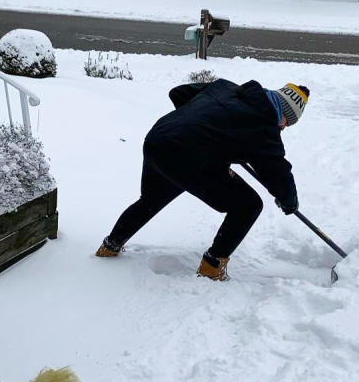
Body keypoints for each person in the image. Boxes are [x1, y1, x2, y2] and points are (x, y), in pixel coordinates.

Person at [96, 79, 309, 281]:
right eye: (287, 123)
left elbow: (178, 93)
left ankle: (110, 246)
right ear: (283, 114)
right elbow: (277, 172)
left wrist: (196, 123)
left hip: (158, 140)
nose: (282, 128)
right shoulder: (265, 130)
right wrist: (289, 201)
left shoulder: (225, 87)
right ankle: (212, 266)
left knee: (152, 199)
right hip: (187, 156)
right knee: (249, 205)